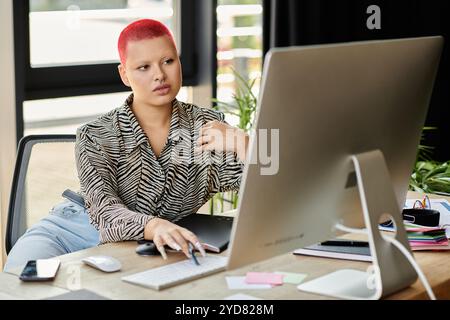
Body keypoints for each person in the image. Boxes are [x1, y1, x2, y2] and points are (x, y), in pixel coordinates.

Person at [4, 19, 248, 272]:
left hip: (142, 246)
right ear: (125, 75)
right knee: (20, 281)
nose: (159, 75)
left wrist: (245, 143)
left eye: (168, 61)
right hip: (73, 229)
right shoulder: (96, 134)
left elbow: (266, 185)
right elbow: (106, 212)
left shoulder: (206, 127)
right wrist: (154, 226)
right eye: (143, 67)